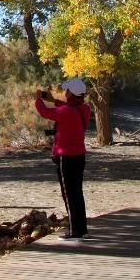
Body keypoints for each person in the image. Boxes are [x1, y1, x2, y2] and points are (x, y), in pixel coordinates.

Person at [34, 77, 93, 240]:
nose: (65, 93)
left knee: (69, 194)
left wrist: (38, 99)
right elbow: (68, 109)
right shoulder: (85, 109)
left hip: (66, 157)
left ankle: (75, 231)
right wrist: (54, 101)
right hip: (80, 156)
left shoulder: (65, 112)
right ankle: (81, 229)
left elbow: (45, 112)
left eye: (67, 91)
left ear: (72, 94)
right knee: (77, 193)